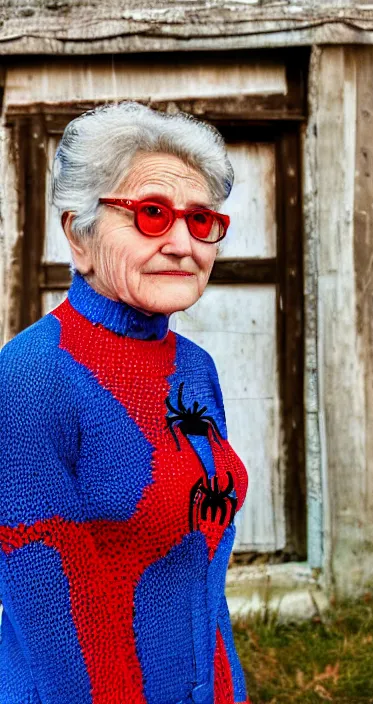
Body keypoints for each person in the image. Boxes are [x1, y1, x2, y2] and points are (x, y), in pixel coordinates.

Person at [0, 101, 250, 704]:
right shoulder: (33, 376)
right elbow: (47, 605)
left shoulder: (195, 367)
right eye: (152, 215)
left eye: (201, 221)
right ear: (78, 234)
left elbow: (201, 573)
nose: (183, 244)